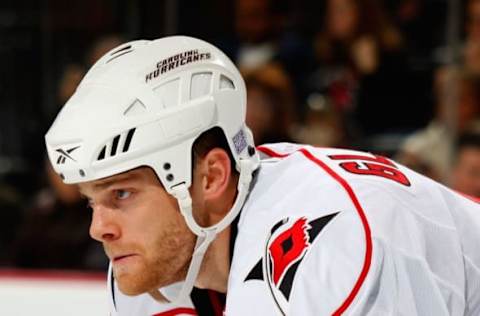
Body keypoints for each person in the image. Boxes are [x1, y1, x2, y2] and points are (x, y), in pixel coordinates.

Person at [45, 36, 480, 315]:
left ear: (212, 176)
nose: (99, 228)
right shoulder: (146, 275)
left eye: (121, 194)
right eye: (91, 200)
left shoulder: (322, 247)